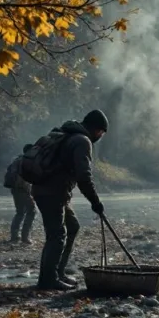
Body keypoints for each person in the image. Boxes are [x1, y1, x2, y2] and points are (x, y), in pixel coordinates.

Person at [31, 110, 108, 291]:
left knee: (72, 226)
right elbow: (84, 176)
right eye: (102, 133)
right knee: (56, 235)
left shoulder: (66, 134)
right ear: (97, 129)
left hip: (48, 190)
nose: (101, 136)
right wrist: (95, 202)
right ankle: (47, 280)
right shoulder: (82, 141)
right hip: (52, 193)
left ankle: (57, 272)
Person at [10, 143, 36, 245]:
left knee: (20, 212)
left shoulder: (17, 160)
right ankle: (25, 237)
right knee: (32, 211)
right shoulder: (26, 161)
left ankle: (14, 236)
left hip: (15, 189)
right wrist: (29, 191)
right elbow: (23, 178)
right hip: (22, 190)